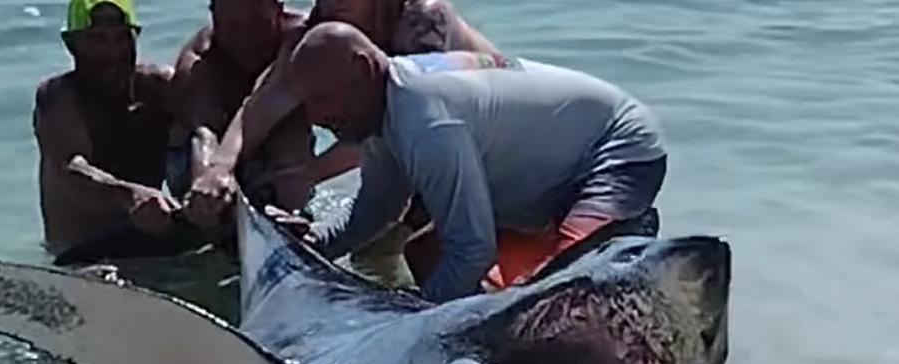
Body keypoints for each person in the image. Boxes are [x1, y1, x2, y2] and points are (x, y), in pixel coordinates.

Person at [283, 23, 667, 302]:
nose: (315, 118)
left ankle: (628, 237)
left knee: (565, 286)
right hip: (548, 187)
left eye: (321, 99)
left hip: (617, 151)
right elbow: (376, 210)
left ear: (364, 70)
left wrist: (411, 320)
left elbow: (471, 252)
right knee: (425, 254)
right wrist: (311, 245)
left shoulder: (428, 124)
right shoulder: (387, 110)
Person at [185, 0, 499, 285]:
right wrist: (221, 167)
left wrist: (314, 171)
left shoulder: (422, 19)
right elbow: (264, 102)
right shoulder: (320, 27)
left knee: (426, 251)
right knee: (370, 256)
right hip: (423, 150)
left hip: (484, 144)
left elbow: (410, 122)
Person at [33, 0, 203, 265]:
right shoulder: (58, 97)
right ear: (72, 44)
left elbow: (206, 126)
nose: (113, 51)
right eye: (97, 39)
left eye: (121, 37)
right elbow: (71, 168)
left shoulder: (156, 87)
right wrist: (131, 196)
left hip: (152, 244)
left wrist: (208, 181)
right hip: (81, 256)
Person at [171, 0, 317, 232]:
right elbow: (205, 132)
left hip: (277, 153)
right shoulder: (201, 58)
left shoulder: (301, 38)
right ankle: (204, 212)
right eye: (232, 27)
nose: (246, 40)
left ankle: (292, 215)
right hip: (213, 152)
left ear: (279, 11)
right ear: (214, 18)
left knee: (290, 121)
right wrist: (206, 181)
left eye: (258, 24)